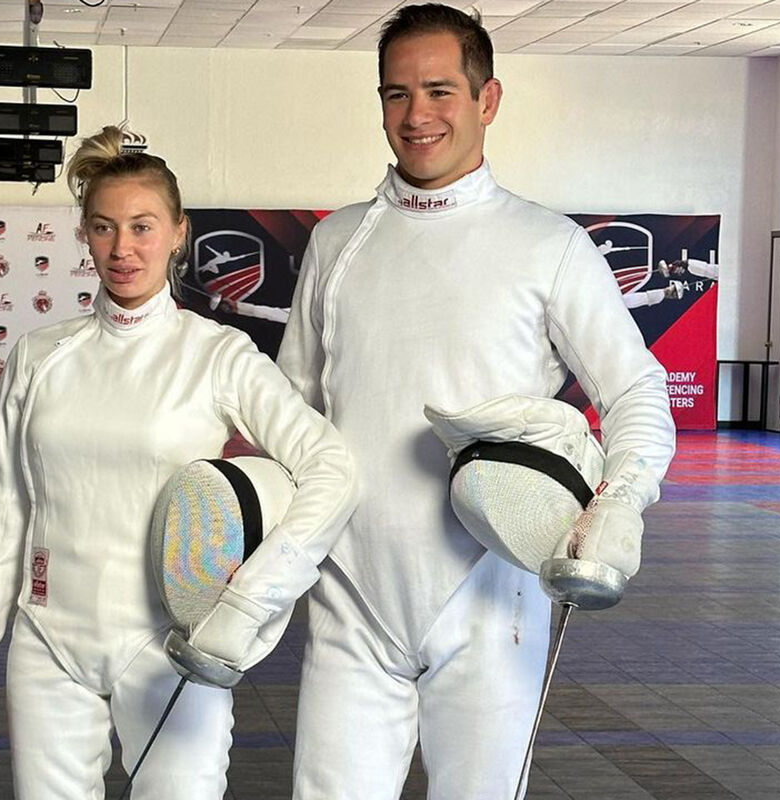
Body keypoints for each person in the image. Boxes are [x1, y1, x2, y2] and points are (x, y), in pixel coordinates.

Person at [276, 5, 676, 798]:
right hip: (350, 591)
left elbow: (635, 387)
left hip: (493, 595)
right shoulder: (337, 242)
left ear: (487, 99)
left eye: (439, 91)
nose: (416, 115)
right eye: (396, 94)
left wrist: (619, 501)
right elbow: (291, 411)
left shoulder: (548, 245)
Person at [0, 125, 356, 800]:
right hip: (48, 641)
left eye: (142, 227)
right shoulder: (39, 357)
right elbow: (2, 514)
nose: (122, 248)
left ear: (177, 232)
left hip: (171, 646)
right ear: (84, 233)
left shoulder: (217, 354)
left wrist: (256, 595)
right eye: (104, 228)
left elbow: (331, 467)